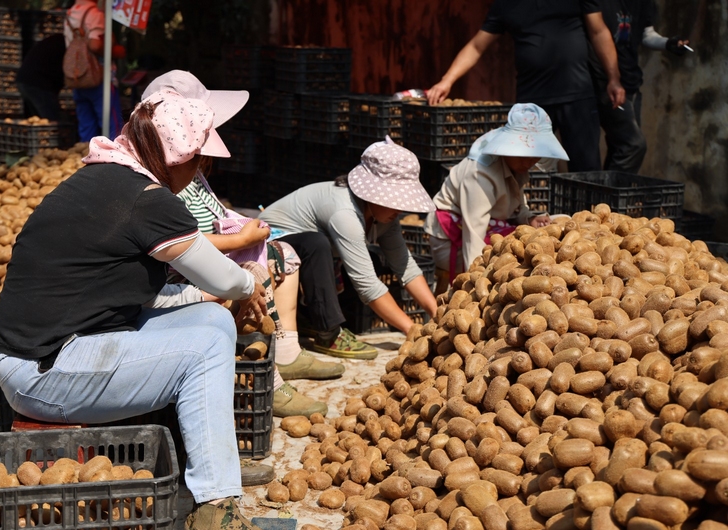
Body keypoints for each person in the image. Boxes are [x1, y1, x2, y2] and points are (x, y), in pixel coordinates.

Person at [0, 88, 270, 530]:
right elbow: (221, 277)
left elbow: (126, 292)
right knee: (204, 351)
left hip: (62, 347)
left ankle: (202, 467)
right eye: (200, 161)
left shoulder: (106, 177)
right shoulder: (146, 199)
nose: (201, 172)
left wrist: (213, 299)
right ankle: (216, 506)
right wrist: (249, 282)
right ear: (177, 158)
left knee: (214, 321)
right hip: (41, 371)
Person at [142, 70, 345, 418]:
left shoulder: (189, 173)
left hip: (200, 259)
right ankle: (269, 376)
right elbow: (182, 243)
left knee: (287, 253)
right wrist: (241, 240)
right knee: (251, 274)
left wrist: (244, 225)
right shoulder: (164, 182)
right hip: (178, 278)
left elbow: (209, 214)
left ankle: (285, 350)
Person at [259, 139, 438, 354]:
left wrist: (437, 312)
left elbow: (405, 266)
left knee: (371, 261)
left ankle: (307, 319)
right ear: (374, 194)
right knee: (317, 244)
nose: (400, 209)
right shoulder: (344, 213)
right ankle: (329, 333)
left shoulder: (385, 216)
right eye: (396, 200)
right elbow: (367, 285)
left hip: (310, 259)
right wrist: (413, 330)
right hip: (272, 251)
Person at [426, 0, 626, 172]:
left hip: (577, 95)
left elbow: (599, 31)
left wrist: (614, 78)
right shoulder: (507, 3)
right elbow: (477, 46)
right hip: (532, 103)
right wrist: (447, 80)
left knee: (586, 170)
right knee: (529, 172)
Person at [425, 103, 570, 290]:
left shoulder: (515, 164)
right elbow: (474, 234)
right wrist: (476, 283)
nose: (529, 161)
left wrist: (528, 218)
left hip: (489, 227)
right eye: (523, 154)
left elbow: (516, 203)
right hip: (453, 240)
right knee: (521, 249)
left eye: (534, 154)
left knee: (562, 221)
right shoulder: (480, 174)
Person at [591, 0, 689, 173]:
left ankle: (608, 197)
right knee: (633, 146)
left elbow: (646, 33)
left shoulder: (643, 3)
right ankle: (610, 197)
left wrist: (668, 43)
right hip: (604, 83)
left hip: (631, 83)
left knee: (620, 148)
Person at [64, 0, 124, 141]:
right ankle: (114, 157)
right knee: (111, 126)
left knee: (86, 125)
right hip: (98, 77)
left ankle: (88, 156)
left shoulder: (70, 13)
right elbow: (95, 45)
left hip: (78, 77)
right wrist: (115, 51)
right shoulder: (94, 14)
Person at [16, 34, 65, 121]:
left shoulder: (57, 40)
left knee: (39, 119)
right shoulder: (66, 45)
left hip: (25, 80)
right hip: (37, 83)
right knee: (52, 120)